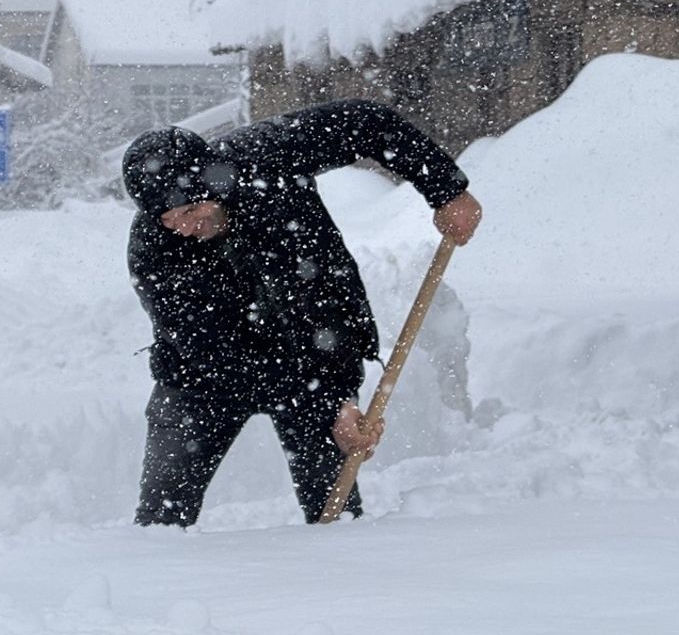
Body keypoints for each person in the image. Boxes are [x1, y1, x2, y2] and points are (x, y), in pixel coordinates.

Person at [123, 99, 482, 527]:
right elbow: (214, 353)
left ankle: (336, 568)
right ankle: (158, 563)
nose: (184, 227)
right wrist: (329, 403)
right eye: (169, 219)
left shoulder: (267, 158)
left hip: (311, 359)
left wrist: (446, 190)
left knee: (335, 516)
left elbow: (367, 122)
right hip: (204, 378)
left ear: (211, 184)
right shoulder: (154, 251)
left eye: (190, 210)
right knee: (161, 517)